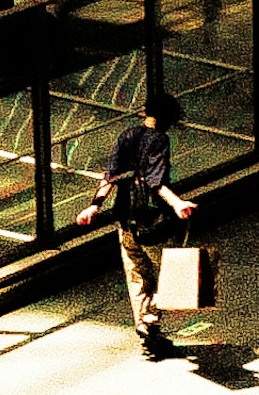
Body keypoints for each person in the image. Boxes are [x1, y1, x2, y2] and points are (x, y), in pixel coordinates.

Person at [81, 102, 197, 351]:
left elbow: (109, 176)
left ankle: (146, 328)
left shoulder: (127, 136)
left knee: (138, 275)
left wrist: (94, 206)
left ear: (146, 113)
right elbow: (155, 182)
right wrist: (177, 204)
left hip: (126, 220)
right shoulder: (160, 141)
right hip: (153, 222)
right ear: (170, 120)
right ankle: (151, 314)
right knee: (172, 273)